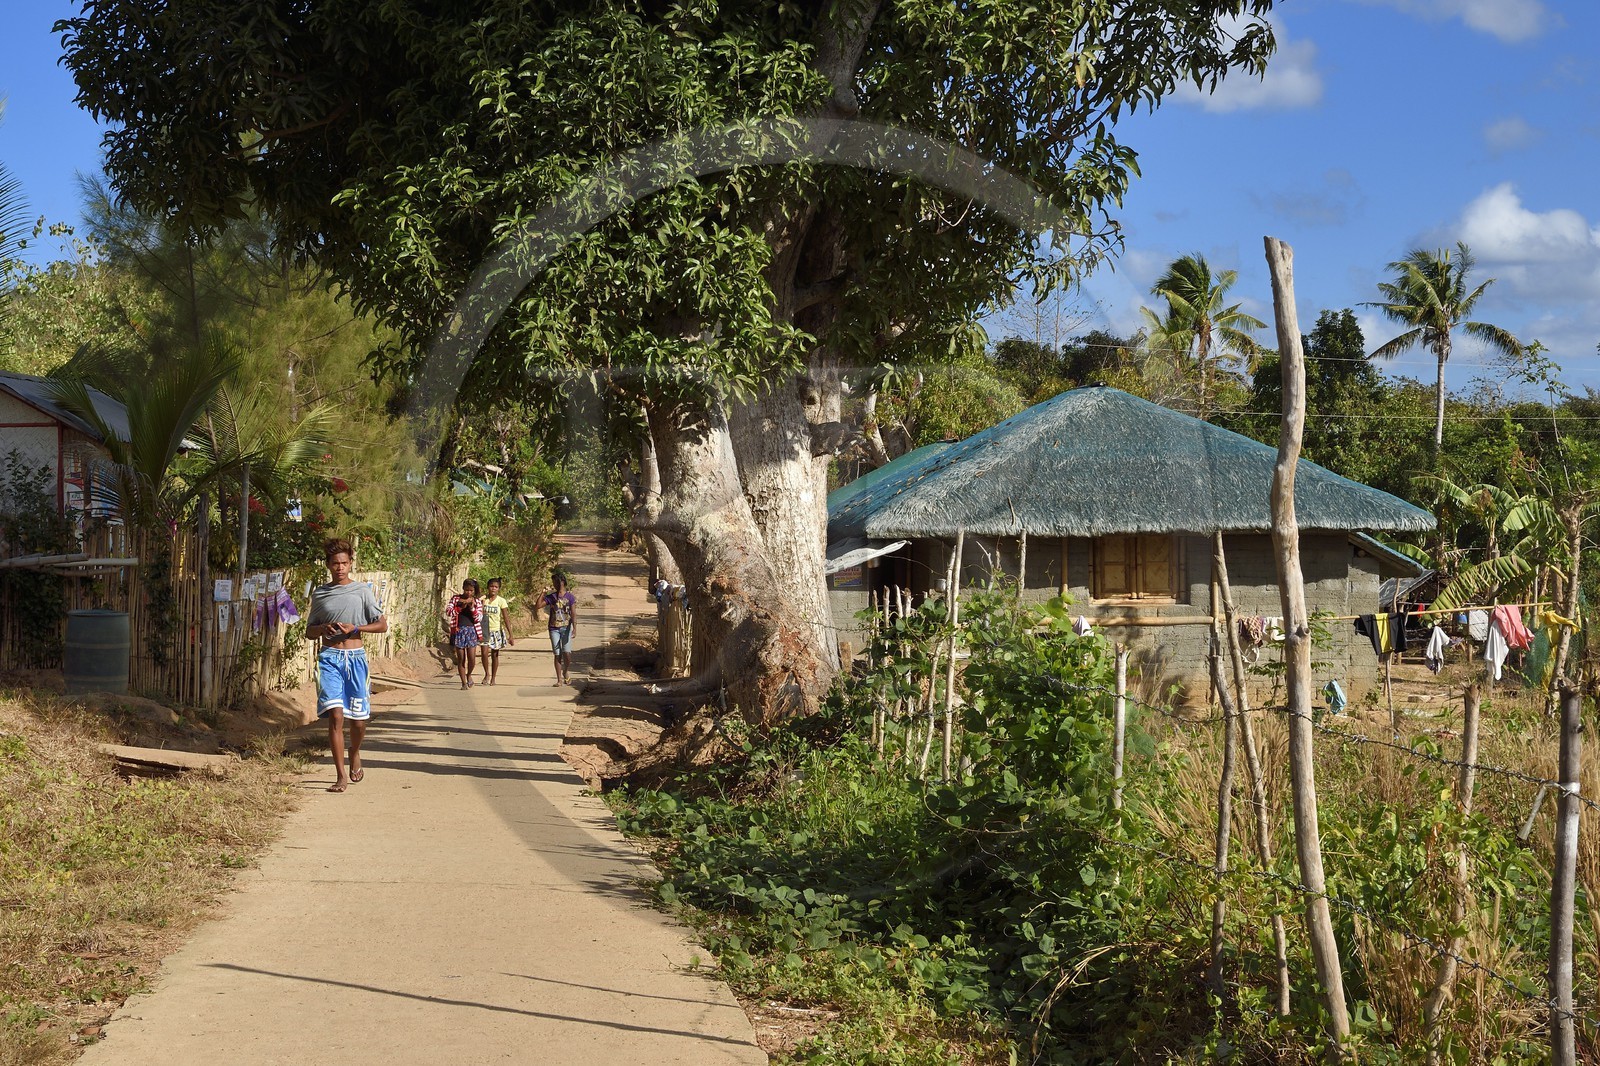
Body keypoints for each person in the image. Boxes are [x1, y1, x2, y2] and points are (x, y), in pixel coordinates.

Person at [306, 537, 387, 793]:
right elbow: (309, 631)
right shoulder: (320, 594)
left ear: (351, 563)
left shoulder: (362, 591)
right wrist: (323, 628)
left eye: (344, 563)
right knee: (336, 716)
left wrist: (356, 628)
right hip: (330, 658)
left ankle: (354, 751)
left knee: (359, 721)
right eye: (335, 563)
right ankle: (340, 775)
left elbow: (382, 625)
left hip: (356, 659)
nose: (339, 567)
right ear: (328, 565)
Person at [445, 579, 484, 689]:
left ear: (474, 591)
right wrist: (459, 608)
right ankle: (463, 683)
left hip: (471, 631)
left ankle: (469, 674)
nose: (468, 592)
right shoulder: (456, 599)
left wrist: (472, 608)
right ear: (463, 588)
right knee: (461, 658)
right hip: (459, 631)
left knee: (472, 658)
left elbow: (479, 618)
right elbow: (448, 611)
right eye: (466, 590)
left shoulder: (477, 601)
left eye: (471, 590)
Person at [542, 569, 577, 685]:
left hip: (566, 628)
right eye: (553, 583)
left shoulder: (570, 597)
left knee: (567, 653)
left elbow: (573, 613)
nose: (554, 585)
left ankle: (565, 671)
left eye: (556, 582)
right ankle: (559, 680)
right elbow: (538, 605)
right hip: (554, 629)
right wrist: (543, 593)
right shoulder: (551, 597)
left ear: (562, 582)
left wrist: (574, 628)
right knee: (557, 654)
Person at [479, 577, 515, 685]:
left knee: (495, 655)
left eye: (496, 587)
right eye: (491, 586)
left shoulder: (501, 601)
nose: (493, 589)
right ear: (488, 587)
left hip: (496, 631)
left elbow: (506, 618)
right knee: (484, 653)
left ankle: (493, 677)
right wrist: (481, 602)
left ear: (499, 589)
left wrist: (511, 635)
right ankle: (487, 674)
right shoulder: (483, 599)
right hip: (484, 630)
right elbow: (478, 613)